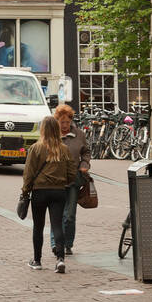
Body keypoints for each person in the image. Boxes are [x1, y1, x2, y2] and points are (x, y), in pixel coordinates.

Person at [22, 114, 77, 273]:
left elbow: (29, 172)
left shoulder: (36, 148)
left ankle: (37, 260)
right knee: (57, 225)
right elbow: (71, 172)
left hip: (40, 191)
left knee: (38, 227)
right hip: (59, 191)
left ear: (43, 130)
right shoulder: (64, 149)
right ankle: (60, 259)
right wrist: (64, 181)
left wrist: (25, 190)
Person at [50, 103, 91, 258]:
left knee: (70, 215)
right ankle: (55, 244)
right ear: (57, 121)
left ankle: (67, 244)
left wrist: (84, 164)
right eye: (62, 122)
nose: (65, 125)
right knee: (56, 214)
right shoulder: (52, 135)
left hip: (73, 179)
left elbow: (86, 152)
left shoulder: (79, 134)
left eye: (67, 122)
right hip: (55, 180)